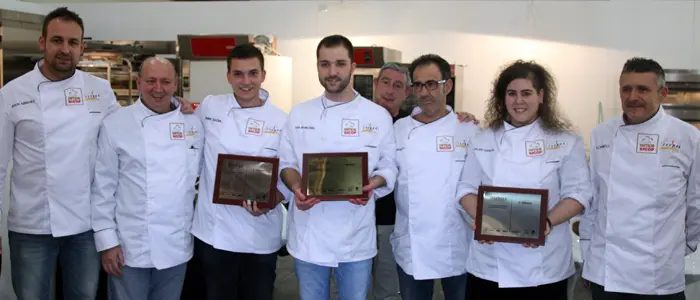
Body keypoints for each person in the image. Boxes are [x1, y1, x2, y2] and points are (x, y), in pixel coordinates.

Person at [0, 7, 192, 300]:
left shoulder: (100, 90)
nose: (65, 49)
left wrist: (174, 107)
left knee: (84, 296)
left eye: (73, 42)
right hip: (32, 224)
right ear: (43, 44)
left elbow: (131, 129)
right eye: (57, 41)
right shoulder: (12, 94)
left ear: (82, 47)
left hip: (84, 224)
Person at [457, 60, 592, 299]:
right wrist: (481, 218)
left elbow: (579, 194)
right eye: (512, 93)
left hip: (544, 267)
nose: (519, 101)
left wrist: (546, 223)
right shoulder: (483, 139)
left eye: (526, 93)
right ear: (502, 98)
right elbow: (466, 188)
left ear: (541, 96)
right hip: (490, 265)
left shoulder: (566, 141)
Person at [279, 34, 397, 300]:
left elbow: (389, 165)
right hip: (310, 235)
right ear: (317, 66)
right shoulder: (299, 113)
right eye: (324, 64)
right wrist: (297, 188)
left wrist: (372, 185)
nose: (332, 72)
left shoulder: (377, 116)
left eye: (340, 64)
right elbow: (286, 164)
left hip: (355, 237)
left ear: (352, 67)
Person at [580, 57, 700, 300]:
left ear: (663, 93)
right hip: (606, 272)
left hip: (658, 276)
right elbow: (592, 200)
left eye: (643, 89)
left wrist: (679, 249)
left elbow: (695, 204)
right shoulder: (602, 134)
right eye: (626, 89)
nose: (632, 96)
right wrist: (589, 254)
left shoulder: (687, 137)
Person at [91, 57, 203, 300]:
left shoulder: (193, 123)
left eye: (165, 81)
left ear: (176, 85)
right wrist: (107, 242)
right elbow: (103, 189)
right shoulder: (116, 124)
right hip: (130, 245)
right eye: (150, 81)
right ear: (138, 82)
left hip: (176, 243)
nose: (158, 88)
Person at [189, 43, 291, 300]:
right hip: (214, 234)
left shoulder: (282, 121)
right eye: (238, 74)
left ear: (263, 76)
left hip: (260, 234)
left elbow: (291, 172)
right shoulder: (211, 107)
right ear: (228, 76)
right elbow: (186, 134)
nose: (246, 81)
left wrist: (274, 199)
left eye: (253, 73)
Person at [391, 53, 480, 300]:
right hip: (412, 244)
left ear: (447, 86)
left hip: (457, 240)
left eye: (432, 84)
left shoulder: (469, 129)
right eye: (418, 85)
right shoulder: (398, 130)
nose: (424, 92)